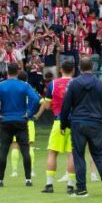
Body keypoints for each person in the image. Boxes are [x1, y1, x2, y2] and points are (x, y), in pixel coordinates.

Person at [60, 56, 102, 197]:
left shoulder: (73, 84)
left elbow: (66, 105)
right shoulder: (100, 84)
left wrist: (63, 124)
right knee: (99, 155)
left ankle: (81, 189)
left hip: (78, 123)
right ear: (92, 67)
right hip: (96, 123)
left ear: (79, 67)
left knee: (78, 155)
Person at [0, 63, 41, 187]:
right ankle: (28, 179)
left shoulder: (0, 85)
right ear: (18, 72)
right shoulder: (24, 85)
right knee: (25, 150)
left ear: (7, 72)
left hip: (6, 120)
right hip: (21, 120)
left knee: (4, 150)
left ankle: (0, 180)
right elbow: (36, 99)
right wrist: (29, 113)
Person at [35, 60, 76, 194]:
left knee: (52, 152)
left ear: (60, 70)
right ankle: (70, 185)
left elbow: (46, 106)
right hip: (75, 122)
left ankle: (49, 184)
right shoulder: (77, 83)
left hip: (59, 121)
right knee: (72, 154)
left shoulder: (53, 84)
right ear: (73, 70)